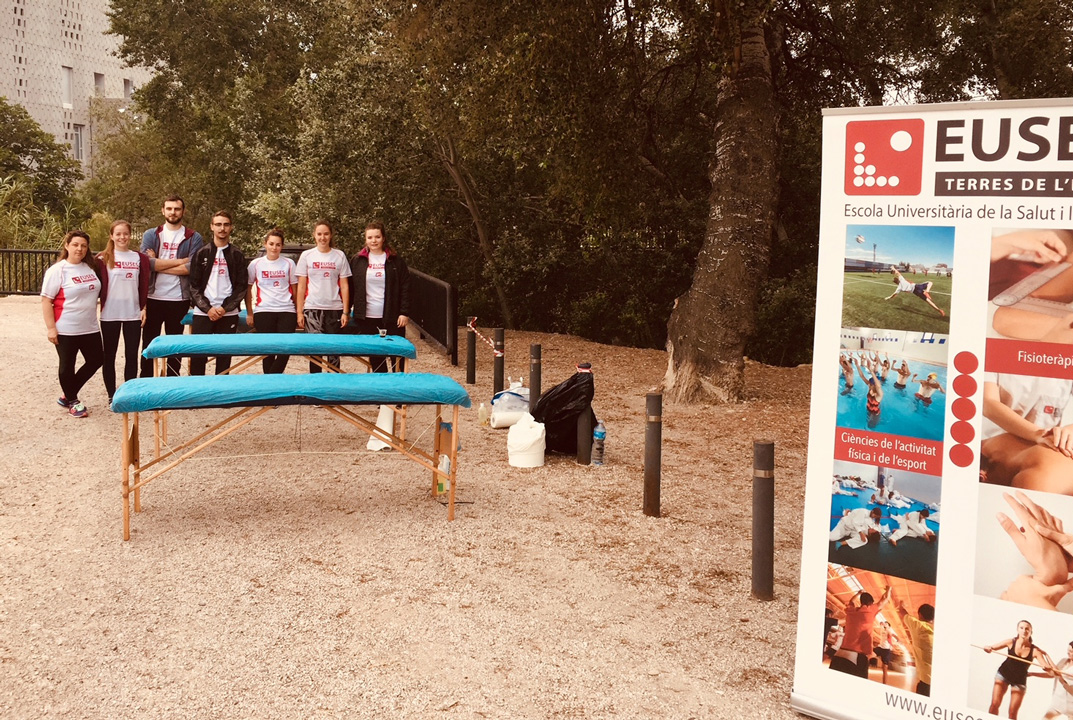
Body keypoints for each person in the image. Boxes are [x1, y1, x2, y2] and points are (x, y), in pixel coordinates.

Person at [41, 231, 104, 418]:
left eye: (83, 245)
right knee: (67, 365)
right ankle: (73, 401)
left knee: (96, 360)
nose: (79, 249)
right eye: (75, 244)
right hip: (66, 327)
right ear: (67, 245)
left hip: (90, 326)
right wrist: (51, 328)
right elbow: (46, 300)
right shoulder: (57, 270)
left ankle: (68, 393)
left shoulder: (90, 268)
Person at [140, 195, 204, 377]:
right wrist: (180, 261)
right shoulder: (151, 235)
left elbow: (191, 268)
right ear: (163, 210)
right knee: (149, 343)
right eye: (169, 208)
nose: (173, 212)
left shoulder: (193, 237)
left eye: (176, 209)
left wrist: (159, 263)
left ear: (183, 211)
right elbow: (147, 264)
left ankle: (172, 379)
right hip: (153, 297)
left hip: (179, 298)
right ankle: (146, 380)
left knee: (175, 344)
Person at [981, 373, 1073, 493]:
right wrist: (1038, 434)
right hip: (999, 442)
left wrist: (1069, 430)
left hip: (1047, 449)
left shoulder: (1038, 474)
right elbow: (988, 403)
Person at [96, 220, 150, 405]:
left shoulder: (139, 258)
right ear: (111, 236)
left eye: (125, 233)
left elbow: (144, 285)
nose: (122, 237)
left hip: (132, 313)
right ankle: (112, 395)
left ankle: (129, 393)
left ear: (130, 235)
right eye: (118, 234)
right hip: (109, 313)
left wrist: (144, 307)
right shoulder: (102, 258)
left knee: (131, 355)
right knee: (109, 356)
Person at [188, 211, 247, 376]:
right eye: (218, 224)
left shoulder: (237, 254)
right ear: (212, 227)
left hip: (228, 313)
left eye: (226, 224)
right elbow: (193, 286)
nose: (222, 228)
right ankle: (197, 388)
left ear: (231, 227)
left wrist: (225, 308)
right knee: (199, 354)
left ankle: (221, 389)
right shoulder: (202, 253)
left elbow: (241, 287)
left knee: (224, 356)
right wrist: (208, 309)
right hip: (203, 313)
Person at [348, 220, 411, 373]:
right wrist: (346, 310)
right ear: (365, 239)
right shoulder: (357, 260)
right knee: (376, 355)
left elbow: (406, 287)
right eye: (370, 237)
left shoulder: (395, 261)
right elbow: (350, 287)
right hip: (367, 317)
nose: (373, 241)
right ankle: (382, 383)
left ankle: (398, 382)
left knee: (397, 352)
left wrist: (404, 312)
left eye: (377, 237)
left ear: (383, 238)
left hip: (392, 316)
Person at [296, 221, 350, 373]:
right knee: (315, 350)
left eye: (326, 234)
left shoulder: (339, 255)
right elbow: (301, 286)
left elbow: (345, 286)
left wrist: (346, 312)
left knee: (334, 350)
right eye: (319, 234)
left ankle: (334, 381)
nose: (322, 237)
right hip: (312, 308)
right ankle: (316, 382)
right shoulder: (307, 255)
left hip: (335, 309)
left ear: (331, 235)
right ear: (314, 235)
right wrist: (299, 312)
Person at [245, 228, 298, 373]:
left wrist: (298, 312)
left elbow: (295, 290)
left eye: (278, 244)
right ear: (265, 244)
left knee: (285, 349)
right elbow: (248, 289)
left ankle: (273, 377)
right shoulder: (256, 264)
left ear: (282, 246)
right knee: (268, 351)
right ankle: (271, 382)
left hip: (287, 311)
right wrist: (250, 313)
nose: (274, 248)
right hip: (264, 310)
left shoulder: (289, 263)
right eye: (271, 244)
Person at [985, 620, 1052, 719]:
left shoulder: (1035, 650)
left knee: (1012, 713)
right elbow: (992, 647)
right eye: (1021, 628)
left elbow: (1049, 670)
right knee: (994, 704)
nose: (1024, 630)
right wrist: (988, 648)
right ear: (1017, 630)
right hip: (1003, 675)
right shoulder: (1010, 642)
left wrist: (1046, 666)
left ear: (1031, 632)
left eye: (1027, 629)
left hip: (1019, 681)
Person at [830, 586, 891, 678]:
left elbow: (851, 601)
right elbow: (885, 599)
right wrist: (889, 589)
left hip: (839, 654)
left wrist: (858, 593)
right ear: (870, 603)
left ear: (861, 601)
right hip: (855, 657)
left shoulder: (851, 611)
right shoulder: (870, 610)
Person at [896, 601, 934, 696]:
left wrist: (901, 605)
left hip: (926, 682)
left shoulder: (918, 626)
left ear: (920, 615)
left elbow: (903, 613)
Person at [1039, 641, 1073, 719]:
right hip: (1058, 703)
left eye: (1071, 651)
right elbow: (1052, 674)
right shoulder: (1063, 661)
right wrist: (1032, 674)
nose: (1068, 653)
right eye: (1068, 650)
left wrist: (1047, 656)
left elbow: (1058, 673)